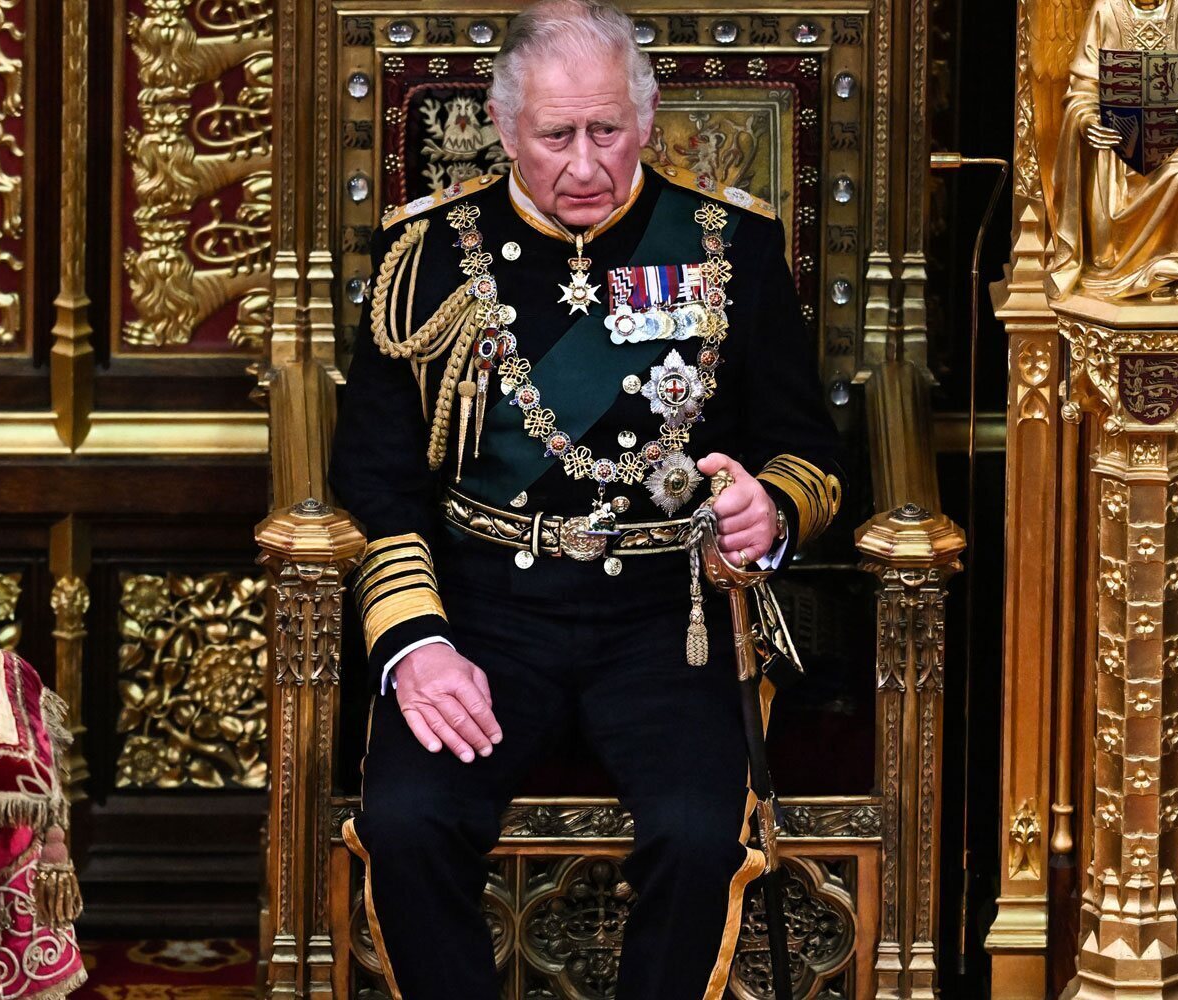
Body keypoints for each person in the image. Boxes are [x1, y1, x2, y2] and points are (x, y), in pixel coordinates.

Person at [328, 2, 843, 996]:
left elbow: (808, 453)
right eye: (552, 136)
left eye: (605, 132)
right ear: (502, 125)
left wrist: (767, 512)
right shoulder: (427, 258)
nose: (580, 165)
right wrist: (416, 641)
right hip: (480, 612)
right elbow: (375, 473)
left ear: (645, 121)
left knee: (697, 837)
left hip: (667, 614)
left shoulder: (731, 248)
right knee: (406, 821)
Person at [1047, 0, 1178, 300]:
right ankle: (1114, 266)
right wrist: (1087, 121)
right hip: (1116, 143)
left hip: (1176, 137)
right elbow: (1082, 91)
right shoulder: (1106, 10)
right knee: (1107, 186)